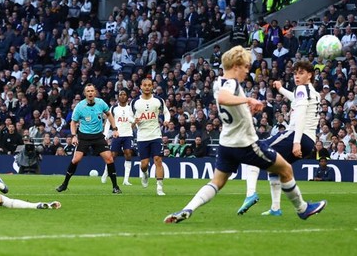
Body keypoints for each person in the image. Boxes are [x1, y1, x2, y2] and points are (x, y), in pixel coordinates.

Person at [164, 46, 326, 224]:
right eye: (246, 67)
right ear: (236, 66)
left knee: (217, 182)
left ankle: (188, 208)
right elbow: (224, 98)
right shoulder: (231, 84)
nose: (247, 71)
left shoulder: (218, 82)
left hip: (227, 143)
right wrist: (248, 100)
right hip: (246, 143)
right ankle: (302, 208)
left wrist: (246, 106)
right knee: (285, 169)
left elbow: (227, 101)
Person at [238, 60, 320, 217]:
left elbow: (301, 115)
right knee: (275, 167)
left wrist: (296, 142)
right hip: (308, 140)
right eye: (295, 73)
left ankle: (251, 193)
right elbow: (296, 99)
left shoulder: (302, 89)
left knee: (254, 151)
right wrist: (281, 89)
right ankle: (276, 208)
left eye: (301, 73)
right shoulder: (312, 93)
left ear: (310, 75)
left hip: (297, 135)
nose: (297, 76)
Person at [56, 83, 121, 194]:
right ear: (85, 93)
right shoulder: (80, 107)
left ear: (95, 92)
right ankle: (64, 184)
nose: (90, 93)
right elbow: (73, 122)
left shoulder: (101, 103)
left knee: (109, 158)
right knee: (76, 160)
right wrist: (73, 136)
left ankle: (115, 187)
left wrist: (115, 128)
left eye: (92, 91)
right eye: (88, 91)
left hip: (98, 136)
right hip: (84, 136)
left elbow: (109, 114)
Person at [132, 78, 171, 196]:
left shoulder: (158, 100)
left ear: (152, 87)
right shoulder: (135, 102)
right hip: (142, 136)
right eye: (145, 85)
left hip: (156, 135)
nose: (147, 87)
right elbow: (129, 116)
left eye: (149, 85)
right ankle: (145, 173)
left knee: (158, 160)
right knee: (144, 164)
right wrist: (134, 121)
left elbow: (166, 112)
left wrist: (167, 120)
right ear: (141, 87)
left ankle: (159, 187)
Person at [101, 88, 136, 186]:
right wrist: (106, 134)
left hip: (128, 134)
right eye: (120, 94)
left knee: (128, 154)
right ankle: (105, 173)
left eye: (124, 94)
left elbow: (135, 121)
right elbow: (108, 121)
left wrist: (134, 124)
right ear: (118, 96)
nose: (122, 96)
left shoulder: (131, 108)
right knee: (113, 156)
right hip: (117, 134)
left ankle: (126, 180)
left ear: (127, 97)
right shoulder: (114, 108)